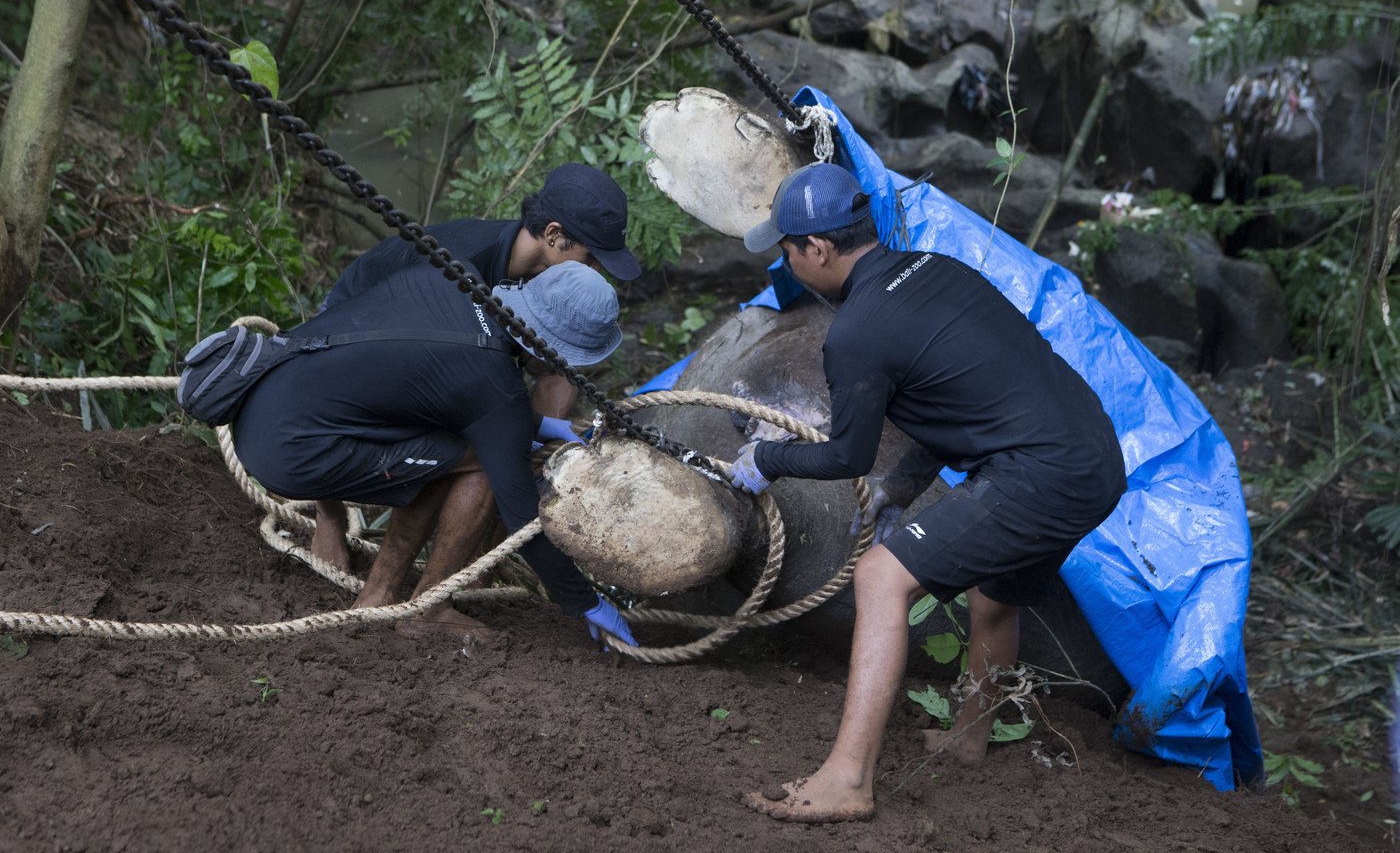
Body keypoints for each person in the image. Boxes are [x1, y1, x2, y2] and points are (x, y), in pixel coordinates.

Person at [725, 163, 1126, 822]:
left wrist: (767, 457)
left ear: (818, 249)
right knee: (992, 596)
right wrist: (897, 489)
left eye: (787, 249)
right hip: (1095, 457)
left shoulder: (855, 333)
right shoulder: (936, 271)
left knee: (882, 579)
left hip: (1042, 472)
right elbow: (959, 403)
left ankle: (847, 780)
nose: (788, 262)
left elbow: (845, 453)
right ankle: (971, 738)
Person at [294, 163, 641, 637]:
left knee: (509, 443)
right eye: (593, 257)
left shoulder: (549, 282)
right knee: (482, 449)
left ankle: (457, 576)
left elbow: (558, 374)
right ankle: (384, 579)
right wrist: (329, 516)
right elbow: (343, 373)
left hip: (444, 364)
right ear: (555, 235)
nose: (597, 270)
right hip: (359, 354)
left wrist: (541, 433)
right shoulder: (455, 266)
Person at [231, 258, 637, 650]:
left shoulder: (456, 280)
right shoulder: (494, 386)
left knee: (453, 443)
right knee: (480, 462)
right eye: (560, 358)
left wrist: (530, 424)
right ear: (546, 343)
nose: (555, 368)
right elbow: (521, 513)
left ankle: (384, 594)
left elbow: (426, 377)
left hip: (258, 410)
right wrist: (584, 601)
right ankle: (425, 608)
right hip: (293, 454)